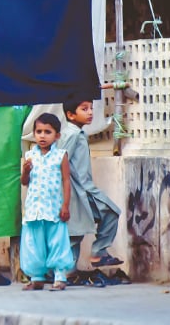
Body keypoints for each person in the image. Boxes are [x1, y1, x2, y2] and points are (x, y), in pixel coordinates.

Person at [59, 99, 123, 269]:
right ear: (70, 114)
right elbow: (60, 160)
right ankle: (96, 253)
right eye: (84, 109)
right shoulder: (72, 135)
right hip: (80, 190)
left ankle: (68, 270)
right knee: (110, 212)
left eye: (91, 109)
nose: (90, 113)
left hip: (82, 189)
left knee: (76, 231)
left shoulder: (78, 133)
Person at [20, 113, 74, 291]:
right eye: (39, 131)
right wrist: (26, 171)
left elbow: (66, 181)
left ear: (57, 135)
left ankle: (60, 277)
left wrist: (65, 205)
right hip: (34, 209)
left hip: (53, 208)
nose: (42, 136)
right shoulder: (30, 156)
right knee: (33, 243)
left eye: (47, 132)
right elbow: (24, 182)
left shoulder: (60, 155)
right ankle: (37, 277)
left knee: (57, 241)